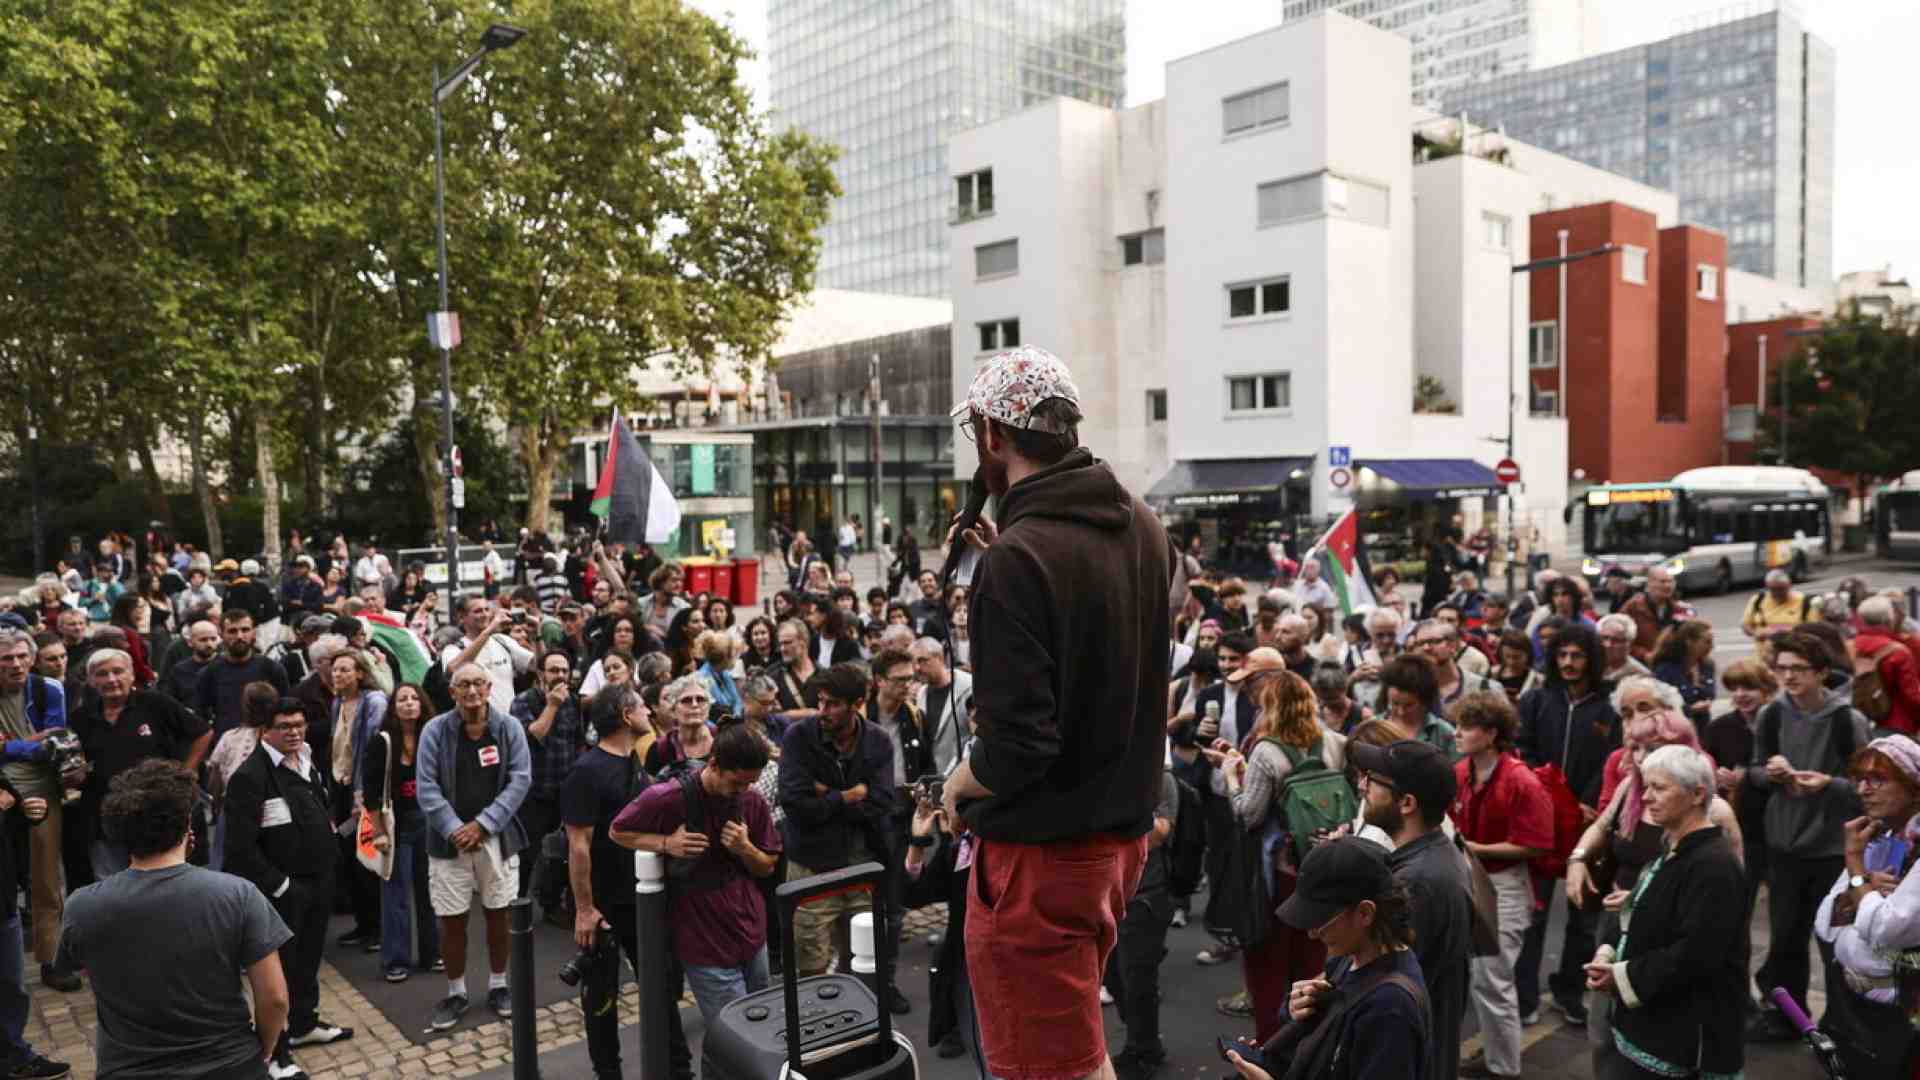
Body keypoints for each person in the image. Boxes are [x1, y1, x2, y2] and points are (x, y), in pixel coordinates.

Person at [58, 760, 287, 1080]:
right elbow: (275, 999)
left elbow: (85, 968)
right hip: (230, 1066)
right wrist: (262, 1050)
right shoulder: (238, 895)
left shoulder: (81, 907)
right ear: (187, 828)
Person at [1583, 745, 1747, 1080]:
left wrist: (1622, 976)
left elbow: (1697, 953)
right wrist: (1608, 954)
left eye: (1659, 788)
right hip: (1652, 1022)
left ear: (1697, 794)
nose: (1645, 797)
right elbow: (1651, 909)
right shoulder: (1673, 846)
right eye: (1646, 787)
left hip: (1682, 1037)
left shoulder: (1714, 865)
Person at [1743, 629, 1874, 1042]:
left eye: (1798, 669)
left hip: (1832, 851)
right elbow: (1754, 772)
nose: (1788, 677)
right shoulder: (1772, 715)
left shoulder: (1845, 719)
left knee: (1836, 944)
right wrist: (1770, 773)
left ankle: (1842, 1024)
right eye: (1781, 668)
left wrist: (1829, 784)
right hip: (1784, 846)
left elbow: (1870, 788)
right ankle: (1786, 1017)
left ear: (1821, 673)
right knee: (1784, 942)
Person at [222, 698, 355, 1076]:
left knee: (309, 960)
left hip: (320, 882)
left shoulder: (307, 758)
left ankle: (303, 1025)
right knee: (279, 974)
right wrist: (282, 886)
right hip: (282, 892)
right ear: (266, 730)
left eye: (299, 724)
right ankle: (276, 1052)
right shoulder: (250, 777)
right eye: (284, 726)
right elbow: (239, 850)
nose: (294, 732)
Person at [612, 724, 780, 1022]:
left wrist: (746, 849)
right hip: (703, 940)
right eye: (736, 783)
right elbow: (618, 831)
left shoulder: (751, 799)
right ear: (714, 764)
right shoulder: (667, 797)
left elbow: (767, 866)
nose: (742, 791)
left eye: (749, 784)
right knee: (737, 1034)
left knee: (764, 1024)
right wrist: (666, 843)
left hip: (752, 932)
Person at [1213, 670, 1348, 1040]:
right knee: (1314, 963)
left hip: (1279, 876)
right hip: (1326, 867)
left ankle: (1271, 1049)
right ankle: (1311, 1046)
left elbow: (1248, 814)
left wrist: (1231, 777)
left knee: (1268, 966)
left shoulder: (1267, 751)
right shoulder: (1334, 742)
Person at [1225, 838, 1431, 1080]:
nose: (1312, 932)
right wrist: (1294, 1009)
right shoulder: (1349, 959)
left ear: (1365, 913)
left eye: (1322, 919)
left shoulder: (1390, 1009)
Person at [566, 689, 692, 1080]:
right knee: (602, 999)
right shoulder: (585, 771)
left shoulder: (634, 758)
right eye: (641, 705)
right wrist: (585, 909)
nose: (649, 710)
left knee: (661, 986)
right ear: (625, 714)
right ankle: (609, 1074)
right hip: (603, 906)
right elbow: (578, 846)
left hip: (643, 898)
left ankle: (677, 1068)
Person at [416, 663, 533, 1032]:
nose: (471, 691)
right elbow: (426, 787)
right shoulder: (434, 730)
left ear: (488, 687)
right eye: (462, 684)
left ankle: (499, 985)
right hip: (448, 842)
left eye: (477, 684)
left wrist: (484, 824)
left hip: (496, 838)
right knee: (452, 920)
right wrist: (455, 829)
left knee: (499, 914)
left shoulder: (509, 727)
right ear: (452, 692)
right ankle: (456, 992)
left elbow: (520, 779)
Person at [1351, 738, 1471, 1080]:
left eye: (1373, 781)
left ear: (1406, 803)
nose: (1362, 786)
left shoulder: (1416, 881)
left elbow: (1378, 984)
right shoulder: (1432, 855)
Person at [1449, 691, 1553, 1078]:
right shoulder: (1461, 772)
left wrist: (1476, 847)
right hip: (1472, 880)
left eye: (1466, 726)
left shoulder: (1520, 780)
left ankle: (1504, 1068)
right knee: (1482, 980)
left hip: (1504, 886)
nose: (1457, 733)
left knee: (1493, 979)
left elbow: (1535, 843)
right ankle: (1496, 1056)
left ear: (1491, 734)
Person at [776, 663, 898, 979]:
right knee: (809, 966)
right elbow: (794, 804)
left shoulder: (878, 741)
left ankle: (866, 1022)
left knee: (865, 960)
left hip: (864, 864)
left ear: (857, 704)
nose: (822, 710)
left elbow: (882, 801)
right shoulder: (799, 738)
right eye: (820, 702)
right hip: (812, 866)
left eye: (832, 704)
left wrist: (823, 794)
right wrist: (844, 796)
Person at [1813, 733, 1920, 1076]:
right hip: (1855, 1011)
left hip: (1905, 1019)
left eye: (1878, 779)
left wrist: (1856, 866)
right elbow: (1824, 920)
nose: (1863, 790)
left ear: (1914, 785)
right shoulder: (1881, 837)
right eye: (1860, 779)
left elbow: (1887, 929)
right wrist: (1858, 892)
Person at [69, 649, 212, 880]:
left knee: (163, 881)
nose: (111, 679)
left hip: (158, 812)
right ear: (92, 681)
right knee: (112, 885)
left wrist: (188, 770)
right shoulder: (81, 718)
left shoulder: (155, 703)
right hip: (105, 815)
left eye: (118, 671)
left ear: (131, 674)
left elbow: (202, 732)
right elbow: (77, 763)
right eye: (102, 674)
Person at [0, 629, 78, 992]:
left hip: (41, 792)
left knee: (45, 881)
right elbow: (40, 742)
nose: (15, 664)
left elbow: (53, 743)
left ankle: (51, 959)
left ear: (31, 658)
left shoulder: (49, 689)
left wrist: (9, 746)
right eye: (6, 659)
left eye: (20, 657)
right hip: (2, 792)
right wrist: (31, 743)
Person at [358, 684, 441, 982]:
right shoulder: (382, 742)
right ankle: (396, 960)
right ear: (393, 707)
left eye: (414, 698)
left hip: (428, 823)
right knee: (396, 895)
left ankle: (433, 953)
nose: (408, 704)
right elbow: (371, 793)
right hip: (396, 825)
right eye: (402, 699)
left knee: (430, 890)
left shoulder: (432, 736)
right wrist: (378, 831)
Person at [1103, 767, 1180, 1080]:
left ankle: (1144, 1049)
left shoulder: (1159, 778)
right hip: (1110, 892)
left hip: (1148, 894)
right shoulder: (1104, 774)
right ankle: (1141, 1039)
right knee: (1113, 975)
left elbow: (1159, 833)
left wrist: (1116, 812)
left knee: (1137, 978)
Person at [507, 650, 584, 921]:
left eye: (564, 670)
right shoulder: (523, 702)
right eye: (554, 670)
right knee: (528, 854)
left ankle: (551, 906)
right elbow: (534, 737)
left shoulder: (573, 703)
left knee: (560, 852)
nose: (560, 676)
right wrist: (551, 706)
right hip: (532, 792)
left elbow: (577, 742)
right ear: (540, 674)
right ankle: (516, 907)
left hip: (563, 790)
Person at [194, 609, 290, 738]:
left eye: (245, 630)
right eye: (232, 631)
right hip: (225, 744)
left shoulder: (272, 669)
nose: (239, 636)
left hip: (267, 742)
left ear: (253, 633)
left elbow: (286, 711)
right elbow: (201, 719)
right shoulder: (208, 674)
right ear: (221, 635)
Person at [440, 596, 534, 719]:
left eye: (487, 610)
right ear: (462, 617)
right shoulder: (454, 649)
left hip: (508, 722)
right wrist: (490, 629)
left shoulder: (502, 641)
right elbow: (453, 670)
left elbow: (536, 666)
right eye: (478, 611)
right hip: (473, 724)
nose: (485, 615)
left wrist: (537, 635)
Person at [1855, 595, 1920, 736]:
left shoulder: (1850, 646)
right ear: (1889, 619)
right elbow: (1911, 696)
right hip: (1895, 723)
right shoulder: (1899, 651)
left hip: (1858, 721)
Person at [910, 637, 973, 776]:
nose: (917, 668)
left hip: (964, 776)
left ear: (939, 657)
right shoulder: (921, 694)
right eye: (914, 662)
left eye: (922, 660)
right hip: (933, 778)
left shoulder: (968, 687)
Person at [1410, 619, 1496, 717]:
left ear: (1453, 645)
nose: (1426, 648)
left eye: (1433, 641)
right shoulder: (1408, 687)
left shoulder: (1484, 688)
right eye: (1420, 644)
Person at [1378, 655, 1460, 758]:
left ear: (1424, 701)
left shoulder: (1444, 733)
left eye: (1409, 705)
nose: (1401, 712)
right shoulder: (1375, 727)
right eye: (1395, 703)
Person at [1649, 620, 1716, 733]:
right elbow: (1660, 705)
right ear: (1689, 642)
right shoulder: (1665, 669)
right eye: (1707, 642)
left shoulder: (1706, 665)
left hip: (1701, 727)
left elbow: (1710, 694)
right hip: (1673, 729)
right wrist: (1690, 710)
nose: (1711, 646)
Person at [1617, 567, 1686, 664]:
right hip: (1640, 665)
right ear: (1649, 584)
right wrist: (1644, 655)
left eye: (1671, 581)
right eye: (1662, 582)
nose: (1668, 586)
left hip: (1671, 665)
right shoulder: (1632, 608)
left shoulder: (1680, 609)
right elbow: (1619, 641)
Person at [1742, 568, 1812, 643]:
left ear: (1789, 585)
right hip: (1765, 652)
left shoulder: (1805, 602)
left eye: (1781, 589)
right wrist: (1756, 633)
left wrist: (1783, 632)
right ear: (1767, 587)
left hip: (1795, 649)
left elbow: (1815, 629)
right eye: (1773, 589)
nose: (1777, 593)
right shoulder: (1758, 600)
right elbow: (1746, 625)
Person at [1596, 614, 1651, 684]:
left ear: (1630, 645)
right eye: (1604, 638)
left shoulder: (1640, 676)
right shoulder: (1588, 665)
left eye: (1616, 640)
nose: (1608, 645)